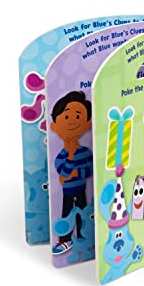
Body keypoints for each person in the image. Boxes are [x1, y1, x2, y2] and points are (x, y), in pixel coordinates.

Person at [50, 91, 93, 255]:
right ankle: (65, 239)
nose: (73, 121)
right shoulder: (61, 156)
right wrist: (70, 155)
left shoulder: (86, 152)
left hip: (81, 189)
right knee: (66, 213)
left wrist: (76, 173)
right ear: (54, 126)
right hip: (67, 191)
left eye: (78, 116)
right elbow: (64, 172)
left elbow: (90, 170)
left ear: (87, 124)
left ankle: (83, 236)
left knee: (83, 212)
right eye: (67, 117)